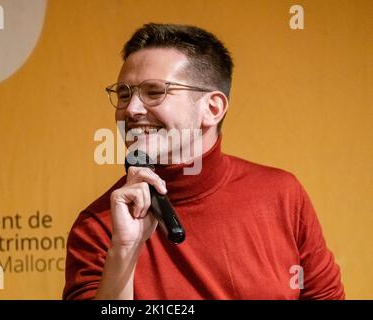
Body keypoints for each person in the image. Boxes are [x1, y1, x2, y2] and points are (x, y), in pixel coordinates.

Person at [62, 23, 344, 300]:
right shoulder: (98, 226)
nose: (132, 109)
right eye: (124, 94)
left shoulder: (282, 193)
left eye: (154, 92)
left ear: (212, 108)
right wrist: (124, 250)